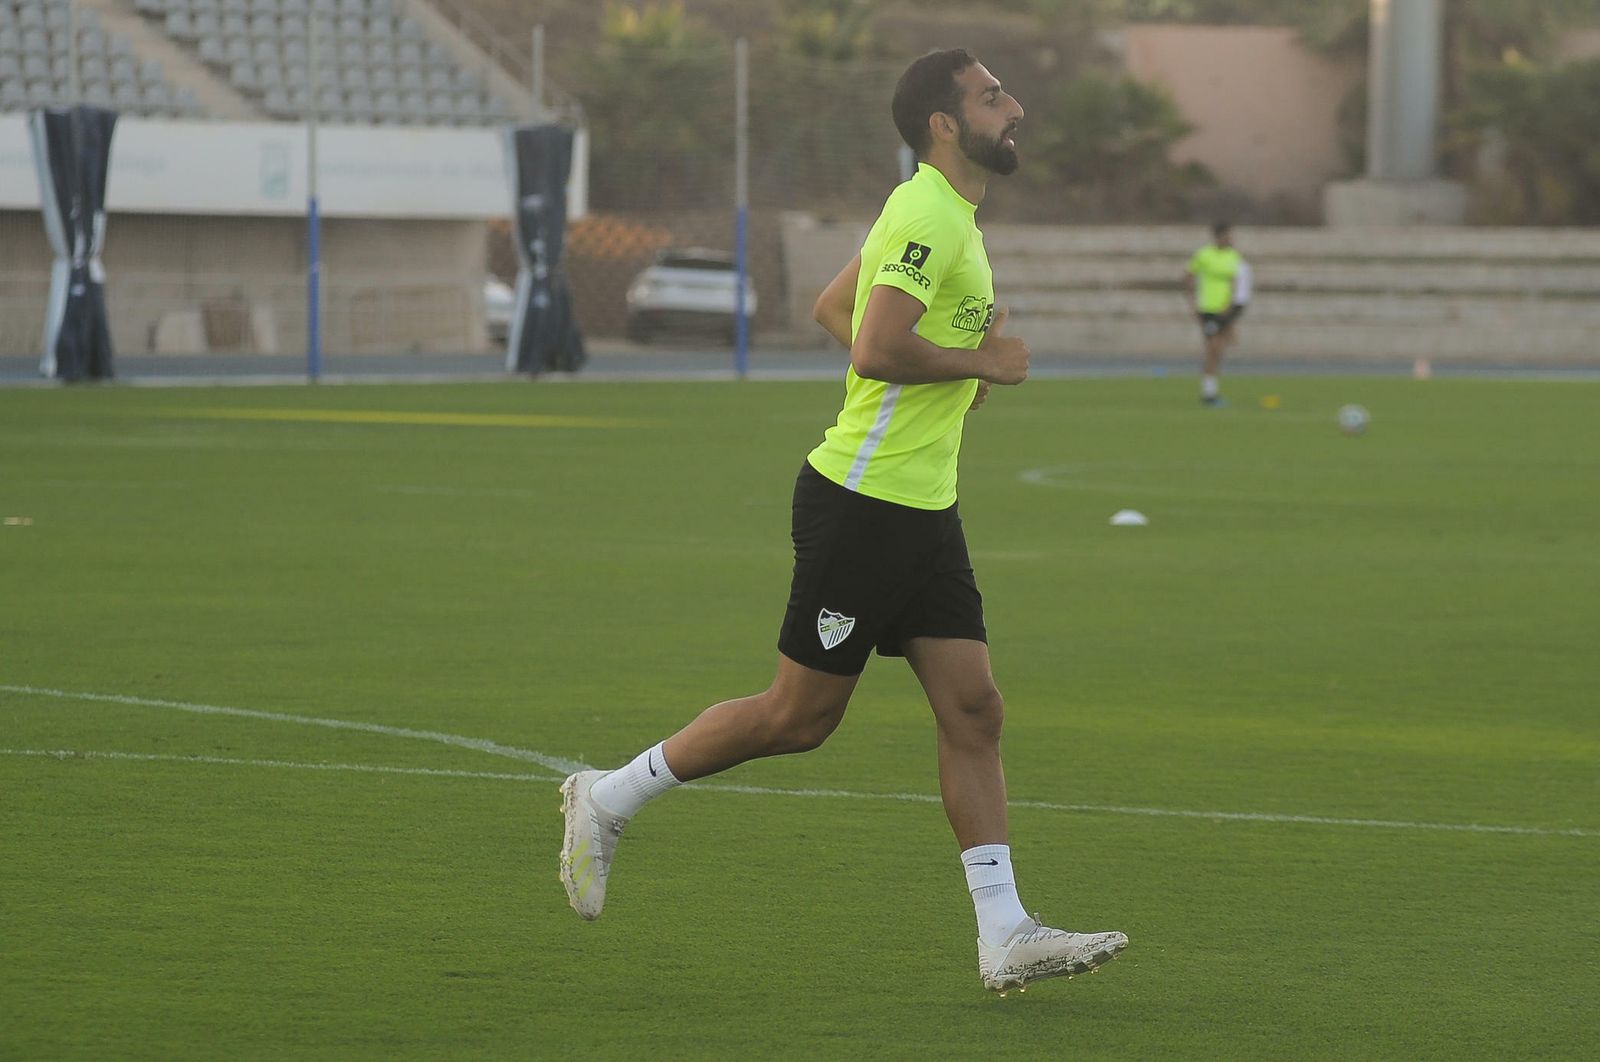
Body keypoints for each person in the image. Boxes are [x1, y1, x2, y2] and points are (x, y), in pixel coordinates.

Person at [558, 48, 1127, 995]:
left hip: (922, 510)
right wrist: (977, 365)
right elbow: (872, 343)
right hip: (863, 507)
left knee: (975, 709)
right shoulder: (925, 212)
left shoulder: (949, 217)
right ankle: (607, 798)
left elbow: (833, 306)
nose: (1015, 107)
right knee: (797, 719)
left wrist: (949, 366)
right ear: (944, 124)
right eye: (993, 98)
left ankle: (1004, 933)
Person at [1186, 222, 1251, 406]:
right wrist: (1192, 302)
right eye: (1227, 236)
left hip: (1225, 310)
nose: (1230, 239)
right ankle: (1208, 392)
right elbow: (1188, 275)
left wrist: (1231, 304)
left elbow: (1235, 282)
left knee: (1219, 349)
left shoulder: (1233, 256)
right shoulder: (1204, 255)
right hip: (1208, 308)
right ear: (1218, 237)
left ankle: (1211, 390)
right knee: (1212, 347)